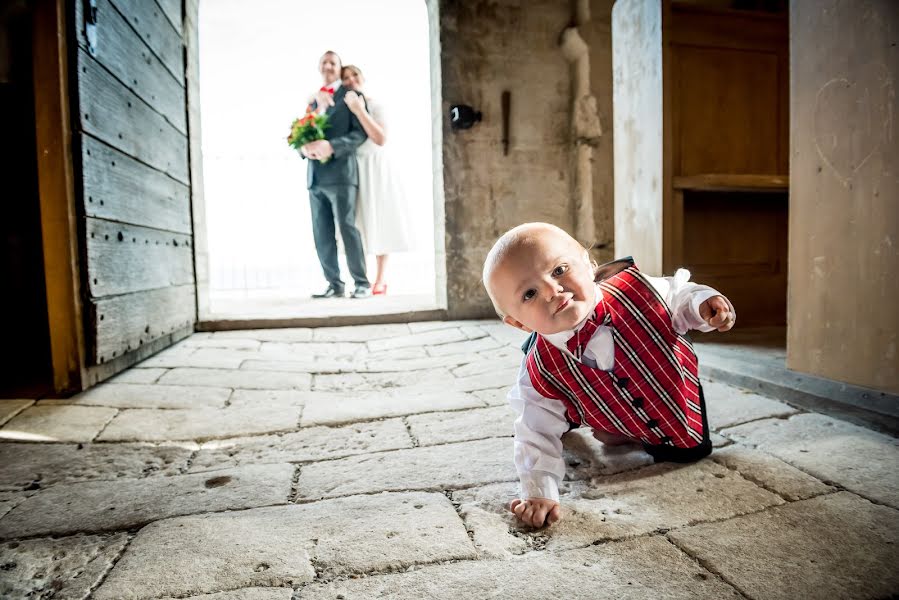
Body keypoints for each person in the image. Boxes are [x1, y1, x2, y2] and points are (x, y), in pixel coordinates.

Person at [481, 223, 736, 528]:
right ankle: (598, 419)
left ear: (590, 265)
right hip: (580, 393)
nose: (552, 290)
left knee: (689, 451)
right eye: (530, 293)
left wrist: (704, 305)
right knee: (549, 412)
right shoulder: (540, 371)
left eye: (559, 270)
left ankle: (624, 430)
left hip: (665, 386)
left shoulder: (639, 292)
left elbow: (680, 295)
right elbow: (533, 431)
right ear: (519, 323)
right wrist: (539, 491)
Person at [300, 51, 371, 299]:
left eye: (333, 62)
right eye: (324, 62)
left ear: (339, 68)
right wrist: (303, 148)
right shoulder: (312, 102)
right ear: (319, 67)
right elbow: (302, 132)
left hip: (342, 174)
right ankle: (335, 284)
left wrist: (332, 146)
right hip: (315, 177)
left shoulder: (352, 96)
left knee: (347, 228)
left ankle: (362, 283)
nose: (328, 66)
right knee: (321, 232)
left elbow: (360, 134)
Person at [341, 65, 412, 295]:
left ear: (362, 78)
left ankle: (381, 278)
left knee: (381, 217)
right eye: (346, 78)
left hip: (376, 165)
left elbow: (380, 138)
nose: (351, 80)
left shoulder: (374, 105)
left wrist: (360, 110)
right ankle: (361, 276)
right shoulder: (343, 108)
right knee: (358, 222)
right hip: (355, 166)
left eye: (354, 76)